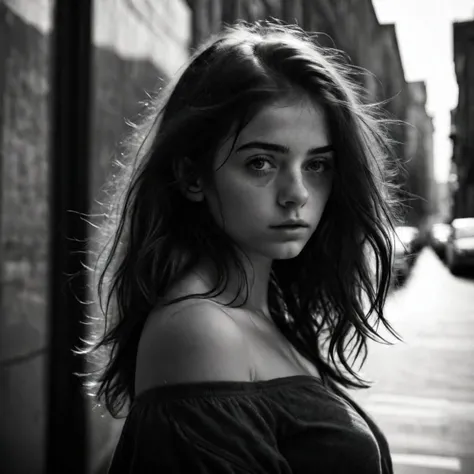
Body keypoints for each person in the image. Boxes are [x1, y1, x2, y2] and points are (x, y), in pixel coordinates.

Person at [85, 20, 401, 473]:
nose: (297, 193)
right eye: (261, 162)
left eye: (316, 165)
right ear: (193, 176)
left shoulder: (262, 314)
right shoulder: (200, 330)